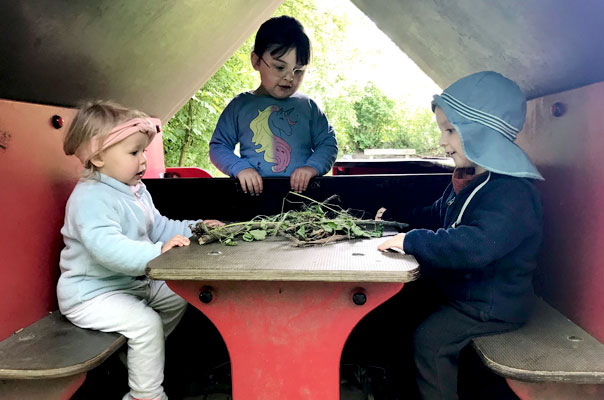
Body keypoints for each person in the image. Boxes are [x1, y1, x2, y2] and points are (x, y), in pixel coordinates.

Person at [377, 71, 544, 400]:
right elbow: (439, 214)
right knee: (400, 308)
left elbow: (476, 246)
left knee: (431, 341)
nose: (442, 141)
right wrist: (399, 220)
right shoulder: (472, 179)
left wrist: (411, 241)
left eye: (451, 130)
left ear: (483, 133)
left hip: (494, 305)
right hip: (468, 292)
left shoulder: (512, 193)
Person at [57, 100, 224, 400]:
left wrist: (197, 228)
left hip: (130, 285)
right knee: (145, 323)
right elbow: (107, 249)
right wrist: (157, 253)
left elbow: (158, 227)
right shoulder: (90, 199)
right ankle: (144, 394)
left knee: (176, 293)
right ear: (97, 157)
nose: (143, 160)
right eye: (133, 152)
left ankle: (137, 355)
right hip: (91, 294)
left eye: (144, 150)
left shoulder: (134, 190)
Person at [209, 15, 338, 195]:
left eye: (298, 70)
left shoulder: (308, 107)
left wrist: (311, 168)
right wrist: (240, 168)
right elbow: (219, 146)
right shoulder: (240, 106)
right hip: (253, 200)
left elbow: (328, 143)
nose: (290, 77)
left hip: (303, 200)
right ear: (256, 61)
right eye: (279, 67)